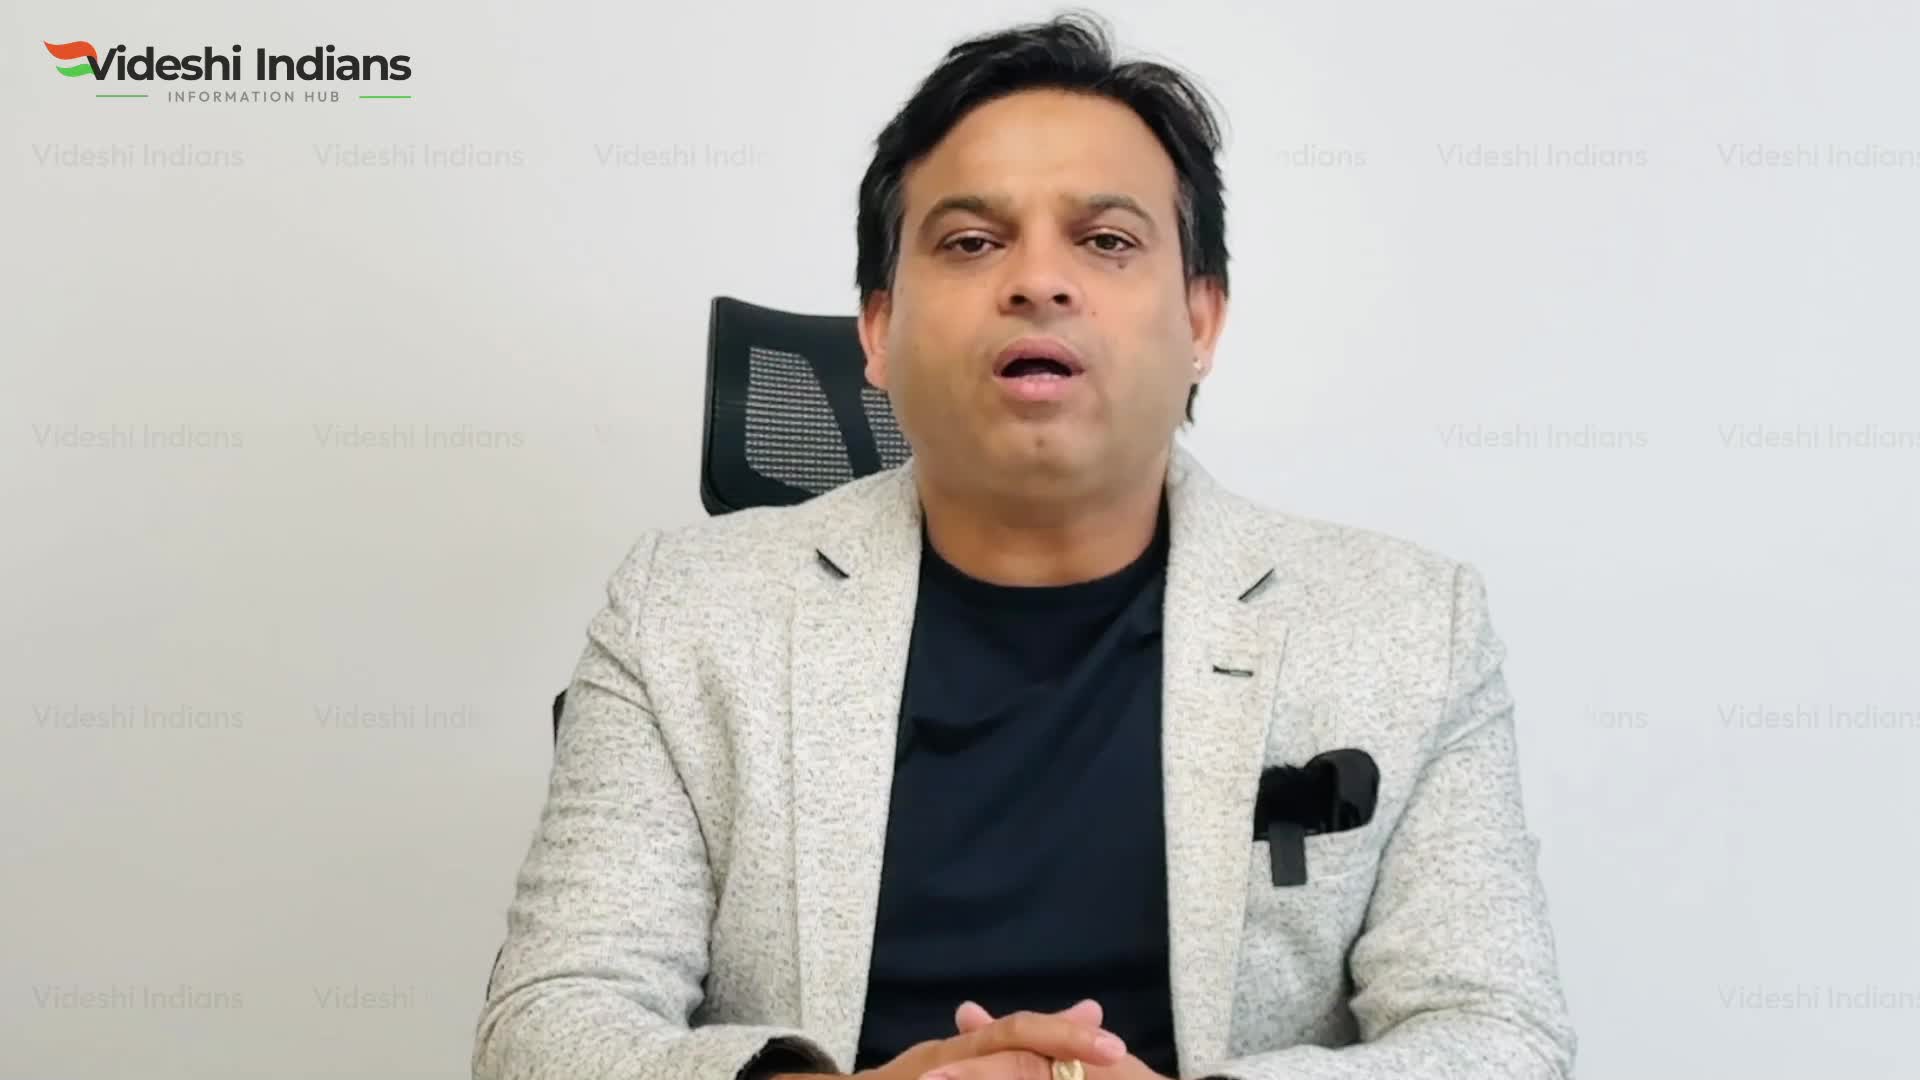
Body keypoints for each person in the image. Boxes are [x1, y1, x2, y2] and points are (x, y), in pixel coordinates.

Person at [474, 11, 1575, 1080]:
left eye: (1106, 241)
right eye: (971, 241)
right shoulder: (681, 613)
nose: (1039, 282)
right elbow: (544, 1027)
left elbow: (1500, 1036)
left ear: (1200, 322)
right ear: (877, 331)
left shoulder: (1410, 627)